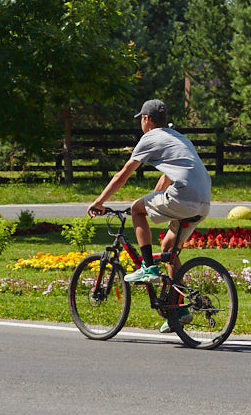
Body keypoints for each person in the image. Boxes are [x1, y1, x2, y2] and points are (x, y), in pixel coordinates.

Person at [88, 99, 212, 328]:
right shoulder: (178, 137)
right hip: (203, 201)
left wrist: (99, 202)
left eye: (141, 120)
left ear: (146, 119)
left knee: (136, 209)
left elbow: (122, 175)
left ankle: (148, 267)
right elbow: (168, 176)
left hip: (183, 197)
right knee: (168, 249)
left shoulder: (150, 137)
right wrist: (153, 198)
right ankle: (179, 310)